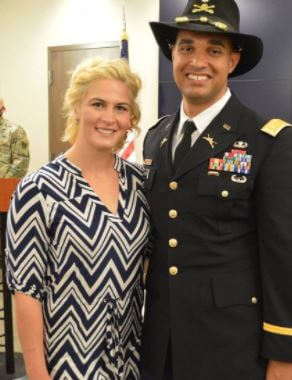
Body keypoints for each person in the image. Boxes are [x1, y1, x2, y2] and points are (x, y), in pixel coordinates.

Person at [141, 0, 292, 379]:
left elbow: (282, 257)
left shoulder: (268, 141)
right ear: (171, 54)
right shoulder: (156, 137)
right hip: (161, 344)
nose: (198, 61)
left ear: (233, 61)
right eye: (186, 47)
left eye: (214, 50)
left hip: (230, 348)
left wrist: (284, 355)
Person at [6, 57, 150, 379]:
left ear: (131, 119)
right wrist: (38, 374)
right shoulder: (39, 189)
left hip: (131, 358)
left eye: (121, 108)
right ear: (76, 108)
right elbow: (26, 292)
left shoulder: (139, 182)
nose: (109, 118)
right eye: (98, 104)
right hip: (68, 360)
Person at [0, 98, 30, 178]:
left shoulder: (15, 130)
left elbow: (21, 163)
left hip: (4, 187)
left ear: (2, 109)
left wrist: (4, 184)